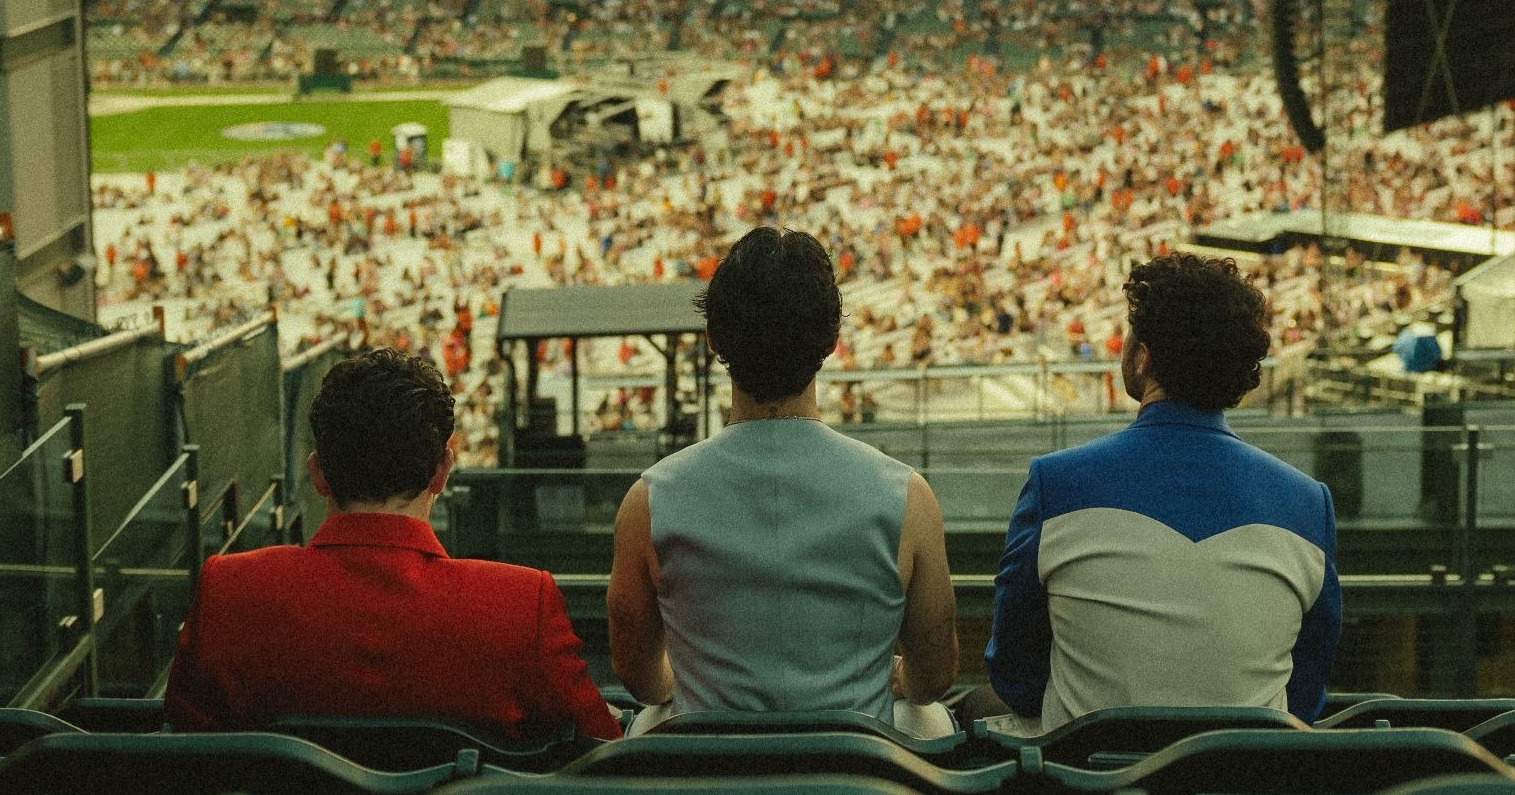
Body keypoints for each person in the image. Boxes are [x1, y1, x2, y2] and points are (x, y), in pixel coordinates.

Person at [164, 347, 619, 741]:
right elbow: (601, 750)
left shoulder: (229, 589)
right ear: (442, 472)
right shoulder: (521, 605)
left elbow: (189, 747)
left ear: (318, 474)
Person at [607, 227, 959, 734]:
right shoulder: (907, 496)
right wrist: (897, 678)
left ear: (713, 340)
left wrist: (677, 685)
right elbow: (934, 675)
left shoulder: (649, 499)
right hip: (855, 786)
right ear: (833, 342)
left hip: (708, 787)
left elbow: (638, 675)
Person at [984, 253, 1340, 729]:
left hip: (1089, 787)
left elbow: (1014, 674)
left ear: (1143, 356)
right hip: (1245, 791)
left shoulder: (1058, 484)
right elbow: (1306, 692)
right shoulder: (1308, 505)